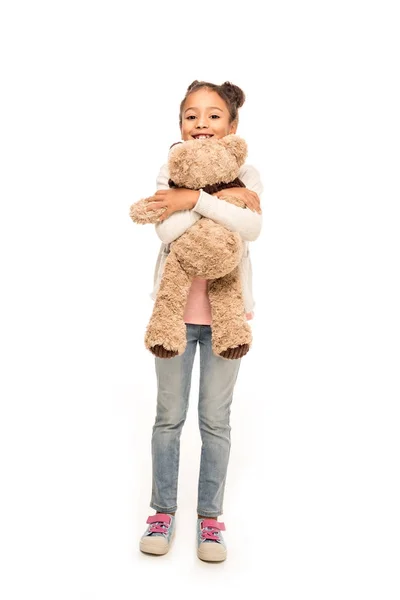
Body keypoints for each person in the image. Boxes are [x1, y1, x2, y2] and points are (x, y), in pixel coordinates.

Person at [138, 80, 263, 562]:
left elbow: (251, 226)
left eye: (214, 116)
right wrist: (211, 198)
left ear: (232, 127)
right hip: (174, 318)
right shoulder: (170, 169)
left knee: (215, 421)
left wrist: (191, 199)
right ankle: (161, 510)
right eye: (192, 116)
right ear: (180, 126)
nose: (202, 124)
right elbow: (165, 229)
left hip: (225, 323)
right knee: (169, 418)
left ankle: (209, 520)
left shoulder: (249, 173)